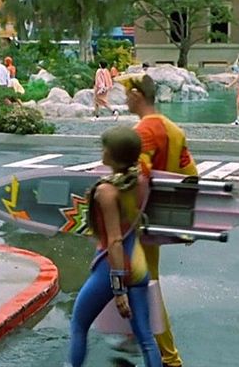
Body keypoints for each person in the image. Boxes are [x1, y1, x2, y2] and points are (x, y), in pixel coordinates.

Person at [67, 126, 161, 367]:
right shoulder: (140, 181)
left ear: (113, 154)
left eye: (105, 147)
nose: (102, 151)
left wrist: (118, 290)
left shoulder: (107, 191)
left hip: (113, 266)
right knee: (146, 337)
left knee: (78, 324)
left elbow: (115, 240)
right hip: (139, 264)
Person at [121, 73, 196, 367]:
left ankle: (169, 357)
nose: (124, 98)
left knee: (148, 283)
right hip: (162, 218)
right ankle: (135, 333)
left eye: (126, 93)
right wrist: (185, 222)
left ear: (138, 95)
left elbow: (140, 178)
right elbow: (191, 175)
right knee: (141, 279)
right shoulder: (173, 129)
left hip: (141, 222)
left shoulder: (143, 132)